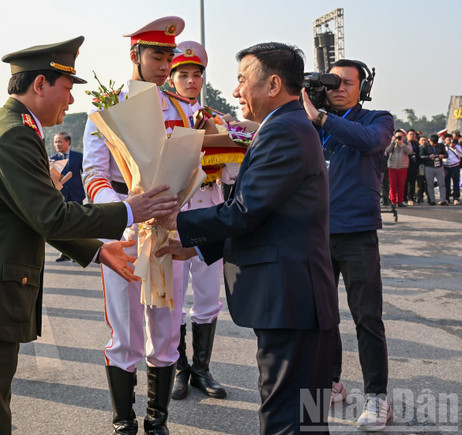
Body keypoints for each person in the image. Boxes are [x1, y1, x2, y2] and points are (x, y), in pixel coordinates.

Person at [0, 36, 178, 434]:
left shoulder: (16, 127)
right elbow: (50, 216)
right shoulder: (14, 133)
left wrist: (101, 253)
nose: (70, 101)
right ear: (40, 85)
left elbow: (35, 215)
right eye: (66, 89)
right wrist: (133, 209)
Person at [156, 42, 340, 434]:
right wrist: (194, 245)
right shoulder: (285, 127)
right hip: (297, 300)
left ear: (273, 84)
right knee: (304, 419)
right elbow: (267, 218)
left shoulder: (285, 131)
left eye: (242, 80)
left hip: (291, 302)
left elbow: (246, 210)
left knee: (286, 418)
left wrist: (177, 221)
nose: (236, 91)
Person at [82, 16, 192, 434]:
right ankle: (124, 420)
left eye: (169, 57)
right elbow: (94, 175)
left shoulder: (181, 109)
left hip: (166, 232)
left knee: (165, 330)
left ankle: (157, 419)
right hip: (125, 233)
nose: (165, 66)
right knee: (125, 334)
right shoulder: (108, 108)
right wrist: (126, 210)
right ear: (135, 56)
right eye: (157, 56)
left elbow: (188, 166)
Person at [302, 58, 394, 430]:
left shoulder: (377, 120)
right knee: (322, 317)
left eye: (347, 83)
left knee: (366, 317)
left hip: (356, 233)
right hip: (316, 233)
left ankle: (377, 397)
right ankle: (332, 382)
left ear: (363, 88)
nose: (338, 89)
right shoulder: (309, 122)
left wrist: (321, 119)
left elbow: (370, 143)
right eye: (332, 83)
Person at [165, 40, 228, 401]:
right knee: (172, 296)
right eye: (183, 74)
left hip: (209, 212)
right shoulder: (159, 117)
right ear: (172, 78)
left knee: (207, 296)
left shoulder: (216, 117)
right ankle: (178, 367)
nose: (191, 81)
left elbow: (231, 172)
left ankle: (202, 369)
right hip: (175, 216)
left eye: (196, 75)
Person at [51, 132, 86, 262]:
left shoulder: (78, 157)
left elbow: (86, 174)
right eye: (55, 142)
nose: (57, 144)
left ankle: (78, 253)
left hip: (76, 195)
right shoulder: (52, 159)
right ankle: (64, 252)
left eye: (59, 141)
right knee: (63, 224)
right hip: (60, 197)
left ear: (68, 142)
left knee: (78, 223)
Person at [385, 131, 412, 207]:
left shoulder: (407, 143)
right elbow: (387, 151)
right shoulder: (392, 143)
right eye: (397, 136)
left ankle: (400, 201)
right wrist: (393, 142)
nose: (399, 138)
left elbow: (409, 151)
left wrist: (402, 144)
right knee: (393, 185)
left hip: (403, 167)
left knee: (401, 185)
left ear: (404, 137)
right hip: (392, 167)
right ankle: (393, 201)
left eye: (401, 136)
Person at [420, 134, 447, 205]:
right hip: (429, 167)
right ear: (430, 141)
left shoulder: (441, 146)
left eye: (436, 143)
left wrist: (443, 156)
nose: (434, 145)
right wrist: (428, 157)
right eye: (433, 143)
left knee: (442, 184)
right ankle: (432, 200)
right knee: (430, 184)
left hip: (439, 167)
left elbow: (446, 155)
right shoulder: (425, 146)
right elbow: (420, 155)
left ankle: (443, 200)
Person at [443, 135, 460, 205]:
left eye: (451, 139)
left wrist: (454, 147)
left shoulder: (457, 146)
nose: (450, 141)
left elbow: (460, 155)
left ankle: (456, 198)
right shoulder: (442, 147)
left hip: (455, 166)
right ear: (445, 140)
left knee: (456, 182)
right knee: (446, 182)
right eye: (448, 139)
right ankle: (446, 198)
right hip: (446, 166)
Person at [405, 130, 420, 205]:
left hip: (413, 165)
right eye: (411, 134)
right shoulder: (404, 143)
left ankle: (411, 198)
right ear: (407, 135)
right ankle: (404, 198)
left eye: (414, 134)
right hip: (404, 165)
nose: (412, 136)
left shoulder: (416, 144)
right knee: (404, 183)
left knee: (412, 183)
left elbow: (418, 155)